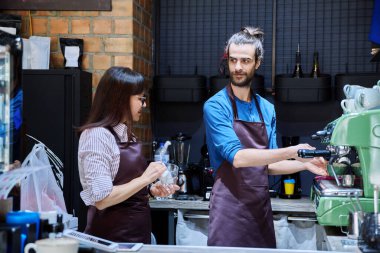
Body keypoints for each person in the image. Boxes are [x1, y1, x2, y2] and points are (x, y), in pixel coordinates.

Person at [203, 26, 328, 248]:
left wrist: (305, 165)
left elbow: (270, 164)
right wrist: (293, 152)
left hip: (259, 211)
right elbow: (238, 158)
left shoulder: (266, 109)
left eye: (245, 61)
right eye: (233, 61)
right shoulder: (215, 106)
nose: (238, 67)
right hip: (228, 212)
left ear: (257, 62)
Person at [78, 66, 179, 243]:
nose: (144, 104)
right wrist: (145, 179)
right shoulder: (97, 136)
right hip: (110, 242)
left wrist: (150, 190)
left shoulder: (127, 134)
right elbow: (102, 199)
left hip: (136, 238)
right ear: (121, 99)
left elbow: (126, 186)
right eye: (140, 99)